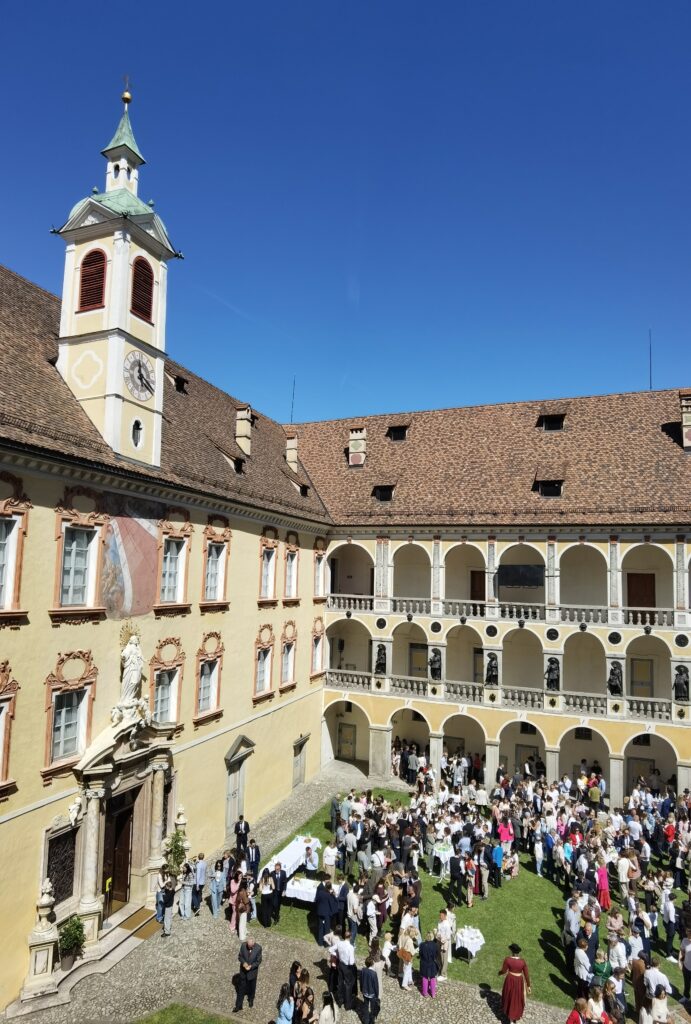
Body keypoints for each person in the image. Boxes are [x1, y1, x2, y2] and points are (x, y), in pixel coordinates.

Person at [498, 943, 531, 1023]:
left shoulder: (507, 960)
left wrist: (499, 973)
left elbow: (504, 970)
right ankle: (514, 1016)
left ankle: (511, 1017)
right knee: (517, 998)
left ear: (511, 951)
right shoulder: (522, 962)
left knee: (509, 996)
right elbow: (526, 975)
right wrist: (528, 985)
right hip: (519, 981)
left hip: (510, 980)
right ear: (518, 952)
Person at [233, 936, 262, 1013]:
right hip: (243, 972)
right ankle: (238, 1006)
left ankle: (251, 1000)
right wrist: (244, 963)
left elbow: (258, 961)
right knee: (241, 989)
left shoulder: (258, 948)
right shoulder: (243, 946)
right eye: (248, 945)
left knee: (252, 988)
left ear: (254, 944)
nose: (248, 947)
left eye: (250, 946)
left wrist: (251, 966)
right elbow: (240, 957)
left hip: (252, 973)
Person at [418, 930, 440, 998]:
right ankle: (433, 993)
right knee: (432, 977)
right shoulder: (435, 945)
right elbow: (437, 954)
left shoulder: (422, 945)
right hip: (432, 963)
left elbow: (420, 954)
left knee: (425, 977)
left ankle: (425, 993)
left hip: (424, 963)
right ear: (432, 937)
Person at [360, 955, 380, 1024]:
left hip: (365, 992)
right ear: (372, 964)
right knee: (372, 1008)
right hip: (372, 994)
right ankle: (372, 1021)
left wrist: (361, 989)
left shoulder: (363, 970)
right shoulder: (374, 974)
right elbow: (376, 986)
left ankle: (366, 1021)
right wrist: (377, 995)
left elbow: (361, 981)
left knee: (365, 1007)